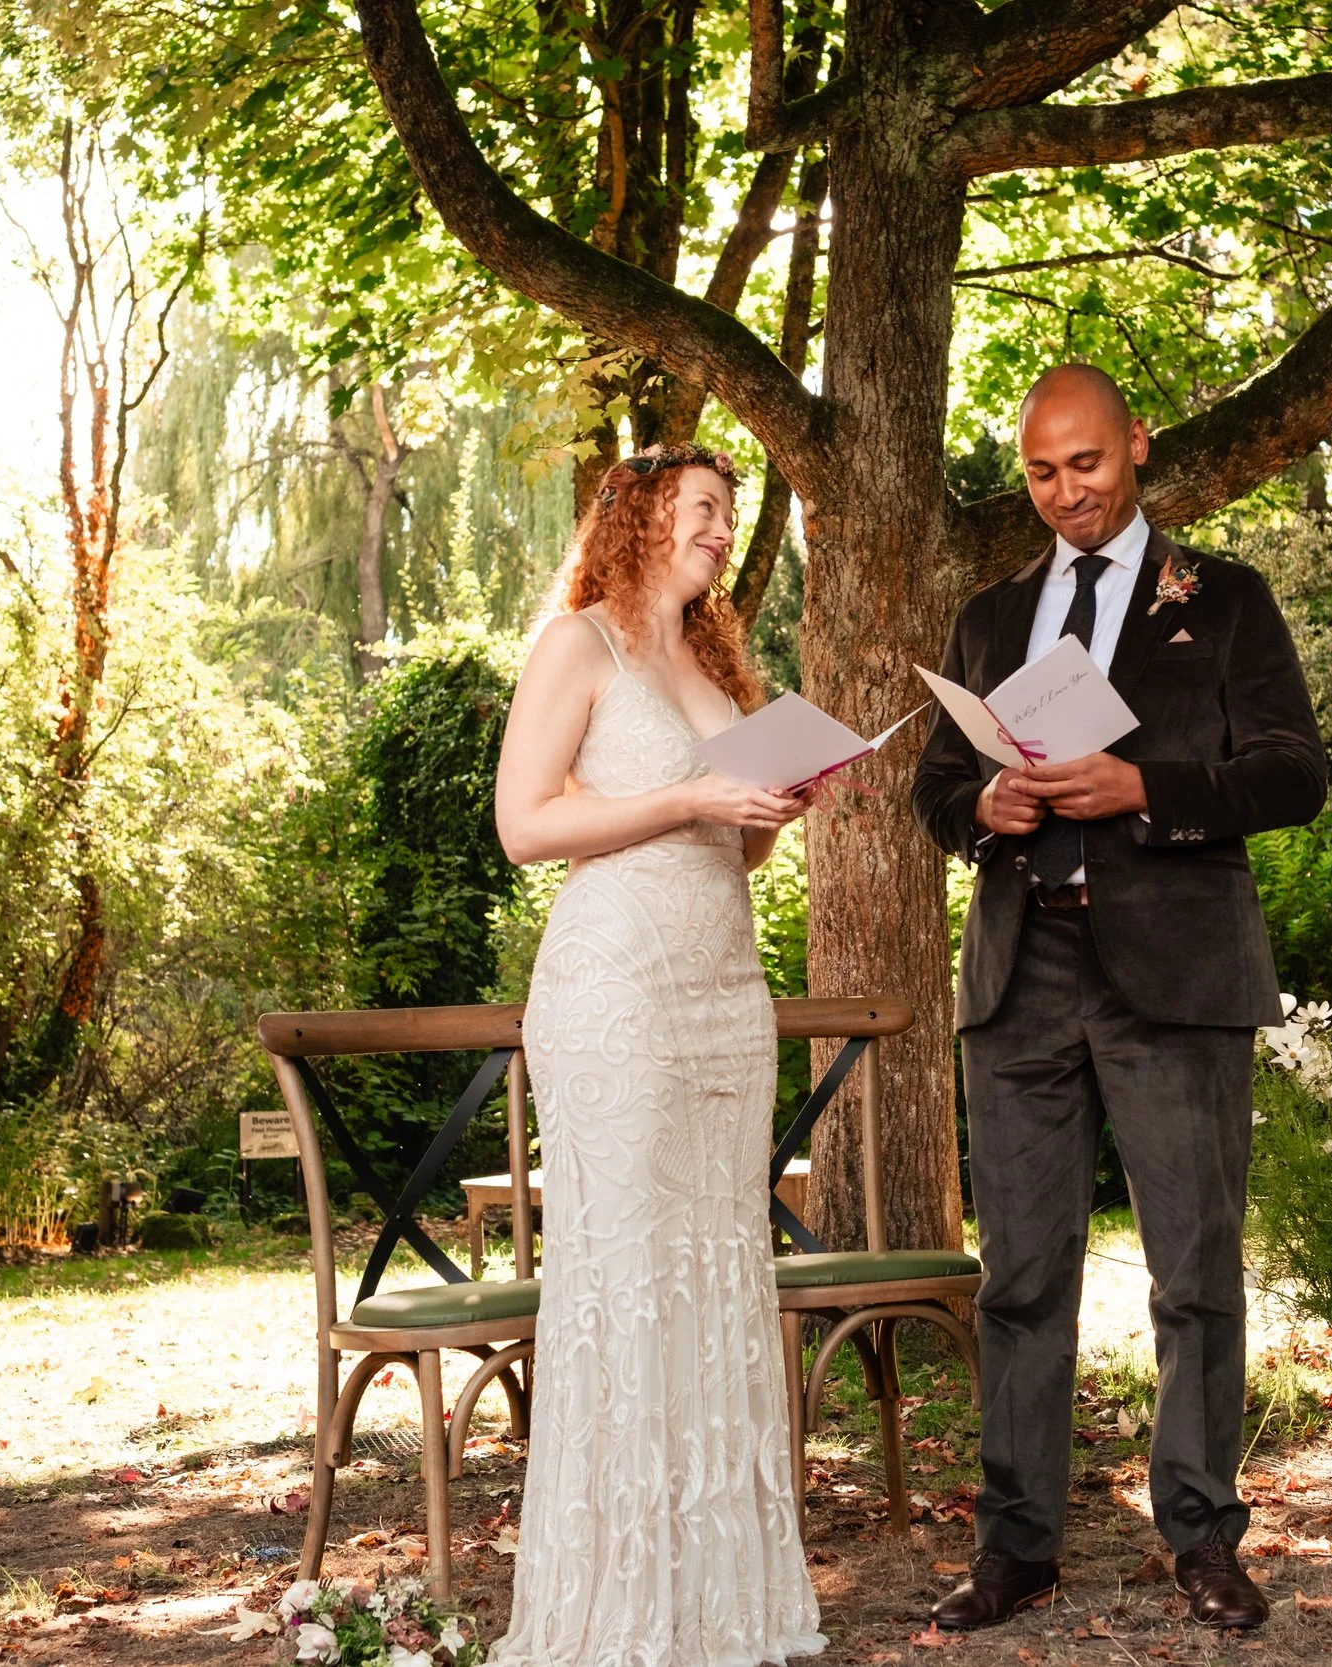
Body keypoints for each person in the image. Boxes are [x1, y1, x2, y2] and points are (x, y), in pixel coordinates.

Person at [909, 366, 1327, 1633]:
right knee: (1019, 1278)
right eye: (1040, 473)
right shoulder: (988, 617)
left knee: (1193, 1270)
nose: (1065, 493)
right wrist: (981, 804)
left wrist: (1139, 787)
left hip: (1176, 976)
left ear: (1136, 448)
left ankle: (1201, 1535)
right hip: (1021, 967)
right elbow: (935, 785)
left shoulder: (1224, 596)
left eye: (1085, 465)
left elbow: (1294, 773)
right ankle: (1017, 1546)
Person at [491, 442, 823, 1666]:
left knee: (717, 1282)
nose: (719, 530)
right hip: (613, 994)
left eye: (729, 515)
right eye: (700, 508)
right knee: (628, 1282)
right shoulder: (580, 643)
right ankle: (616, 1613)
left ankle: (714, 1603)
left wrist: (765, 815)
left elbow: (727, 853)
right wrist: (688, 801)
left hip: (724, 995)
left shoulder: (716, 667)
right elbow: (525, 824)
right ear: (636, 518)